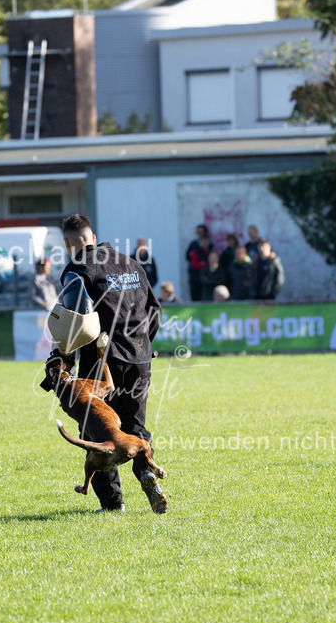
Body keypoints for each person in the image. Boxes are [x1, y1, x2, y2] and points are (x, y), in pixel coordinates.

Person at [41, 213, 167, 514]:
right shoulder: (132, 263)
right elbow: (155, 310)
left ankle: (112, 504)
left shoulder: (78, 269)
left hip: (102, 360)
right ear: (93, 237)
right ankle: (148, 472)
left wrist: (64, 360)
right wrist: (143, 345)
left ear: (68, 244)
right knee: (135, 427)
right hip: (140, 356)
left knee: (97, 432)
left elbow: (74, 321)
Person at [184, 225, 210, 302]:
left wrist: (204, 263)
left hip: (206, 275)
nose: (200, 234)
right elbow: (188, 257)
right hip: (194, 274)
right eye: (198, 232)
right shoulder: (194, 244)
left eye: (202, 232)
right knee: (195, 294)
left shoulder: (210, 246)